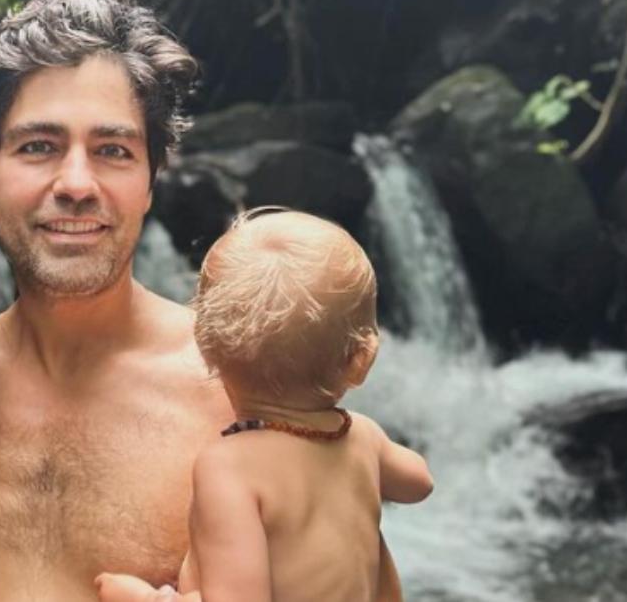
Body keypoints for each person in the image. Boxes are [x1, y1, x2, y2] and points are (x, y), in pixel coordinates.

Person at [0, 0, 406, 601]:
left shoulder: (257, 393)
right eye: (39, 147)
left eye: (113, 150)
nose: (77, 183)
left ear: (150, 181)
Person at [94, 209, 434, 602]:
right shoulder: (362, 436)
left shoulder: (230, 469)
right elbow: (419, 484)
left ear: (206, 348)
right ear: (361, 361)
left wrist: (150, 599)